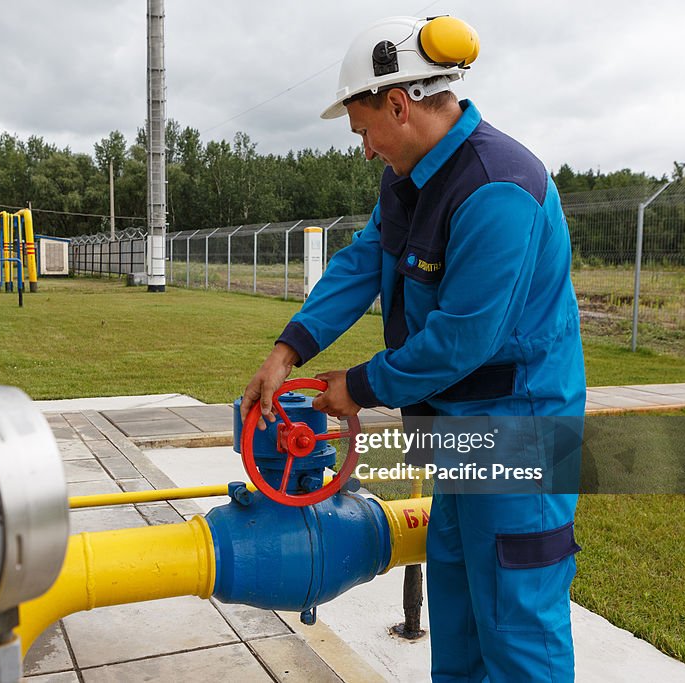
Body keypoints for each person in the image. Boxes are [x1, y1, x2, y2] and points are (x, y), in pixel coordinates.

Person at [240, 15, 586, 683]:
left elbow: (462, 339)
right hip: (454, 433)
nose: (365, 148)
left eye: (364, 129)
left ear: (399, 104)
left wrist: (359, 387)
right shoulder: (409, 179)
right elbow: (363, 261)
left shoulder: (498, 187)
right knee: (456, 620)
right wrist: (290, 349)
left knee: (517, 633)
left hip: (520, 437)